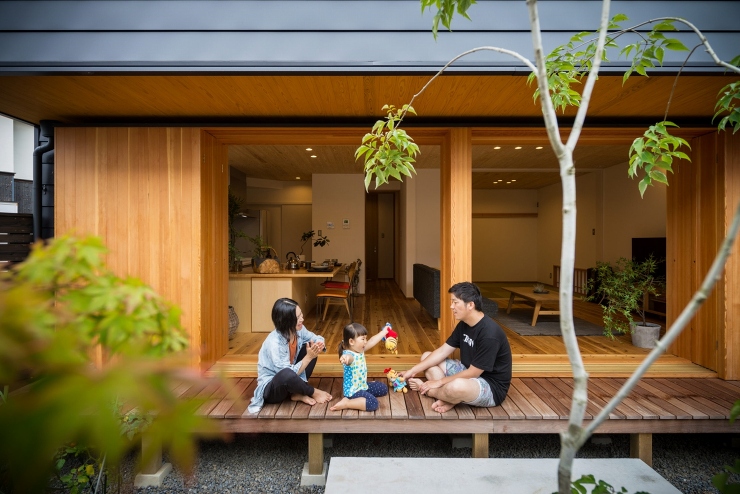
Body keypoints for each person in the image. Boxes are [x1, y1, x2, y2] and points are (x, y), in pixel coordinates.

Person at [399, 281, 512, 413]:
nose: (451, 306)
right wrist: (412, 371)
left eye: (455, 302)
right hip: (467, 371)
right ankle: (451, 398)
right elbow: (442, 351)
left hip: (490, 386)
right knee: (426, 357)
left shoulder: (490, 334)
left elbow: (474, 373)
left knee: (457, 387)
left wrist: (438, 382)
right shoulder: (464, 324)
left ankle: (432, 392)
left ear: (470, 305)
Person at [247, 297, 333, 414]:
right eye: (298, 318)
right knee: (288, 372)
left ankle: (296, 393)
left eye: (301, 314)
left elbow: (315, 337)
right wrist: (308, 357)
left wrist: (319, 343)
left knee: (311, 347)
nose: (302, 319)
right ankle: (311, 391)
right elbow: (287, 375)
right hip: (273, 388)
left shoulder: (298, 330)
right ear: (286, 320)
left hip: (291, 378)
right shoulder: (275, 343)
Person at [329, 322, 389, 412]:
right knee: (373, 404)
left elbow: (372, 341)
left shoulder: (359, 350)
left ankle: (364, 391)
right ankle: (347, 402)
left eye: (366, 338)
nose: (366, 341)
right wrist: (345, 358)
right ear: (351, 341)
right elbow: (349, 358)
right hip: (353, 391)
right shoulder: (349, 354)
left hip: (361, 386)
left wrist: (384, 332)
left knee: (383, 388)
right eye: (363, 339)